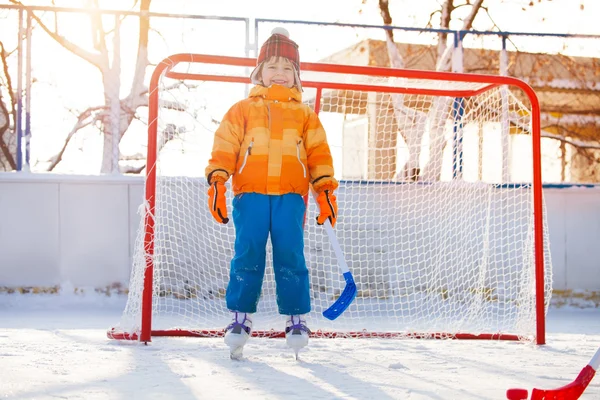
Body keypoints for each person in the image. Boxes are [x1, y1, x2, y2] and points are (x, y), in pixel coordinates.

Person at [205, 27, 339, 357]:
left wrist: (324, 190)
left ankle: (296, 319)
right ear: (260, 72)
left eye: (286, 68)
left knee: (290, 255)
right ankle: (240, 317)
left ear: (296, 76)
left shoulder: (305, 115)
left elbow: (319, 153)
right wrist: (218, 181)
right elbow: (225, 146)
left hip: (291, 197)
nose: (279, 73)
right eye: (272, 66)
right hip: (249, 195)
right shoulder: (242, 109)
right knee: (247, 253)